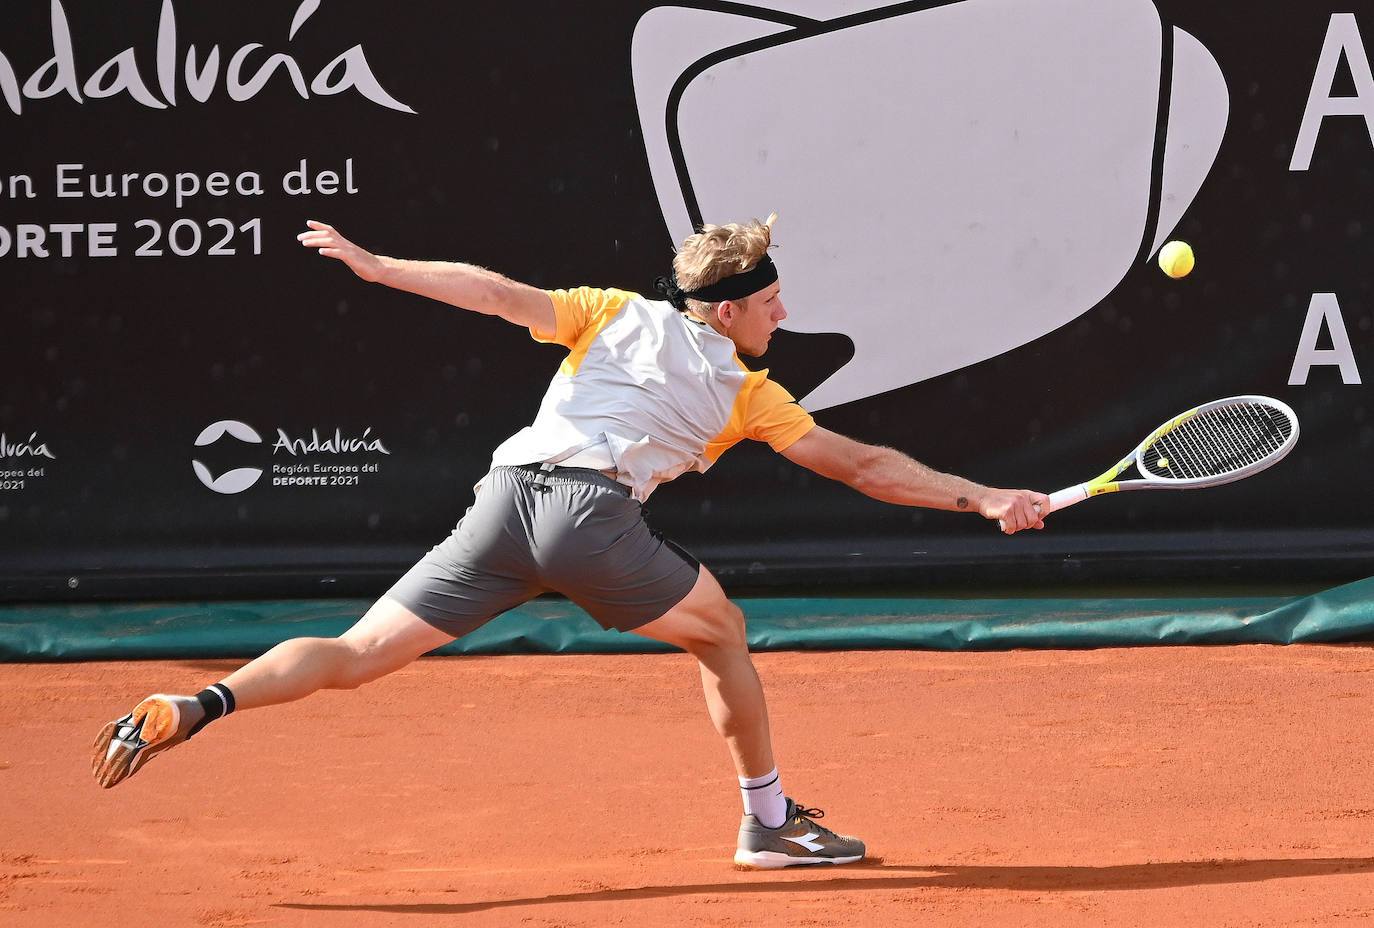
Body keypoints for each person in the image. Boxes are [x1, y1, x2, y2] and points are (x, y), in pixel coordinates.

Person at [92, 214, 1049, 869]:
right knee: (723, 632)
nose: (784, 314)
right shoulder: (747, 393)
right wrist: (984, 499)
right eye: (770, 303)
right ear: (726, 310)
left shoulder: (609, 313)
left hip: (502, 500)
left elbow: (497, 293)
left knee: (354, 653)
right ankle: (767, 825)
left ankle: (204, 700)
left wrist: (381, 269)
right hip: (588, 514)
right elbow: (865, 467)